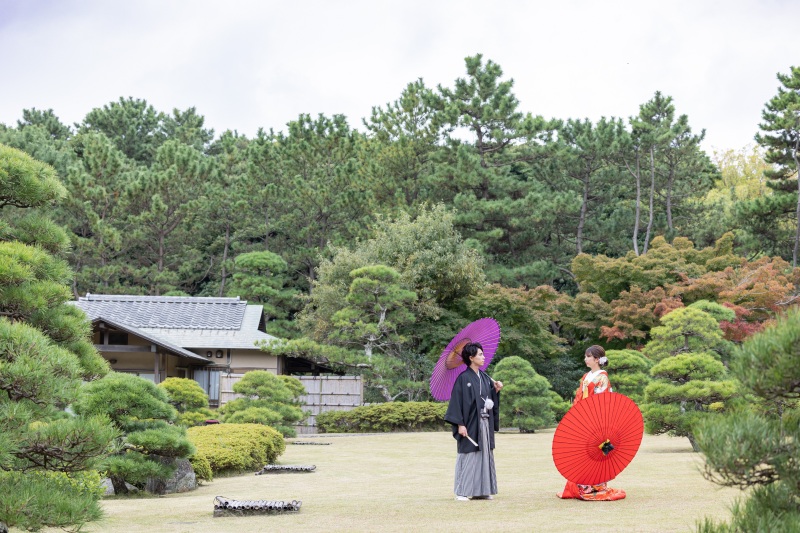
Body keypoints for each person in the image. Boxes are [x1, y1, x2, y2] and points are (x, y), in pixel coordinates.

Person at [557, 345, 626, 501]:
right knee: (581, 451)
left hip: (596, 420)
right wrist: (575, 416)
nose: (585, 359)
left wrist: (591, 416)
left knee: (594, 452)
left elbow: (602, 402)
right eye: (585, 356)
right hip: (583, 418)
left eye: (588, 356)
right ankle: (581, 485)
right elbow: (579, 398)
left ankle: (596, 486)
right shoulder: (586, 376)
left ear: (596, 359)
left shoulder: (602, 377)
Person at [444, 342, 502, 501]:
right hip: (470, 423)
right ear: (471, 358)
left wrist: (495, 390)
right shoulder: (463, 379)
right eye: (480, 355)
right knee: (469, 454)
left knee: (485, 454)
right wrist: (460, 424)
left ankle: (481, 490)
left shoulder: (484, 377)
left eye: (483, 354)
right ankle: (461, 491)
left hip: (484, 422)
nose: (483, 357)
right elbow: (456, 402)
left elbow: (488, 398)